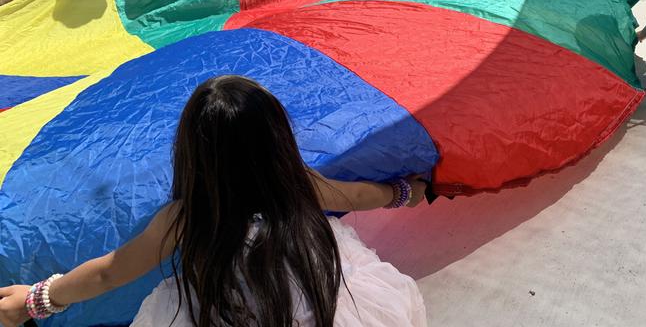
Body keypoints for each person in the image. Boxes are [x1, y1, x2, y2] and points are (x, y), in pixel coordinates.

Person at [0, 76, 428, 326]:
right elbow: (356, 194)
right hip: (317, 303)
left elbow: (110, 272)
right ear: (278, 142)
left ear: (191, 155)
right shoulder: (297, 184)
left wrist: (36, 299)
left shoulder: (186, 216)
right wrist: (406, 193)